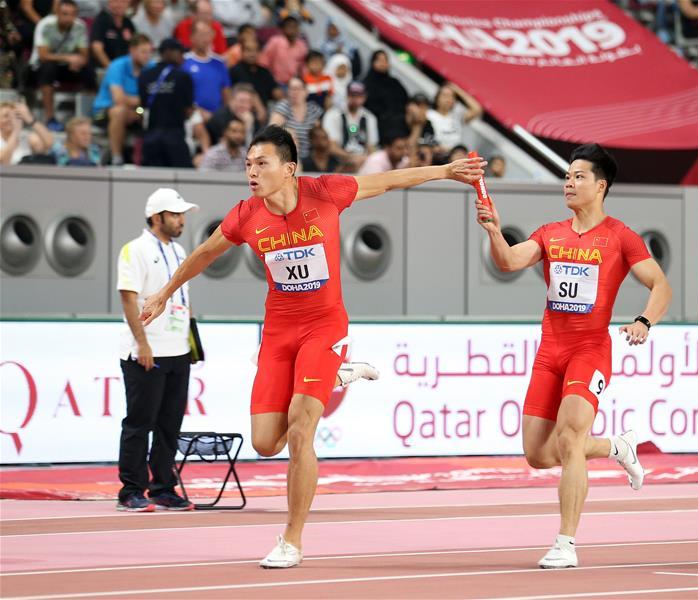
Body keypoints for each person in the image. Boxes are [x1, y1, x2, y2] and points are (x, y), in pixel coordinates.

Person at [139, 124, 484, 567]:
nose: (251, 172)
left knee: (301, 431)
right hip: (278, 334)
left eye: (261, 163)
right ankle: (338, 375)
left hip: (324, 328)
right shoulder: (246, 214)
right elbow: (205, 252)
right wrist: (165, 292)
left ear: (289, 169)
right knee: (265, 442)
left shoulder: (325, 192)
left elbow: (387, 181)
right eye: (248, 164)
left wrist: (445, 171)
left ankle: (291, 539)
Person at [475, 143, 672, 569]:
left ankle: (565, 543)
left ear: (601, 186)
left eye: (579, 176)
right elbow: (509, 261)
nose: (568, 183)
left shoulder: (620, 236)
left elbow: (661, 286)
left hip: (590, 350)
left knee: (569, 437)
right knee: (538, 454)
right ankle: (617, 446)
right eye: (567, 176)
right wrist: (494, 231)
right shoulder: (550, 233)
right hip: (550, 352)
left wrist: (644, 321)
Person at [116, 188, 199, 512]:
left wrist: (191, 343)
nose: (181, 221)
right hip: (146, 350)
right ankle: (130, 490)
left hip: (178, 349)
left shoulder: (179, 251)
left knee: (169, 424)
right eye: (175, 214)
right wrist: (142, 343)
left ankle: (163, 486)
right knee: (139, 423)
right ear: (156, 217)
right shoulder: (134, 249)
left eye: (182, 215)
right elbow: (128, 298)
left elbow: (184, 299)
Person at [92, 33, 153, 166]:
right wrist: (142, 100)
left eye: (149, 52)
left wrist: (138, 108)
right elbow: (118, 99)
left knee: (151, 112)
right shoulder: (117, 66)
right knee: (120, 111)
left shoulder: (151, 67)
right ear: (132, 50)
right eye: (143, 52)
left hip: (137, 110)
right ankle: (116, 158)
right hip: (103, 111)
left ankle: (149, 159)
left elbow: (155, 98)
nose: (147, 56)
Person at [33, 0, 92, 131]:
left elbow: (84, 55)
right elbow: (43, 55)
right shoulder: (46, 25)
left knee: (88, 69)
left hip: (67, 66)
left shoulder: (80, 27)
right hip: (38, 67)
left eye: (72, 14)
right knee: (48, 68)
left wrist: (78, 61)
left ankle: (90, 117)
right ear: (57, 13)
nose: (68, 18)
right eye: (65, 14)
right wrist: (68, 57)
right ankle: (50, 118)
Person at [138, 37, 194, 168]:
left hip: (151, 138)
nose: (183, 57)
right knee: (183, 176)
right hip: (175, 137)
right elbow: (188, 110)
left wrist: (139, 114)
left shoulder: (145, 75)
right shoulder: (183, 77)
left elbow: (141, 107)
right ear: (167, 52)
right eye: (180, 52)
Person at [322, 80, 377, 171]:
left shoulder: (369, 117)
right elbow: (331, 146)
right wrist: (351, 157)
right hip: (337, 161)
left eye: (359, 96)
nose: (355, 99)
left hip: (362, 161)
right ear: (347, 95)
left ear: (364, 97)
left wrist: (365, 159)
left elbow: (372, 147)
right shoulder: (333, 114)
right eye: (352, 95)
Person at [183, 20, 230, 116]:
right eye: (201, 35)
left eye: (208, 34)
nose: (205, 39)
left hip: (217, 116)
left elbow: (226, 92)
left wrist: (226, 116)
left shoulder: (219, 62)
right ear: (192, 37)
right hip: (192, 116)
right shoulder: (183, 61)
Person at [269, 76, 322, 159]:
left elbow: (320, 134)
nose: (295, 92)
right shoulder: (283, 107)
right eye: (291, 89)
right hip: (287, 156)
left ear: (306, 91)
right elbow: (270, 132)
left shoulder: (313, 109)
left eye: (298, 89)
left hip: (311, 156)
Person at [362, 49, 407, 140]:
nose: (383, 63)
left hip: (399, 123)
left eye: (385, 60)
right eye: (379, 60)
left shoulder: (395, 83)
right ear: (373, 62)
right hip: (377, 124)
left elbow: (405, 101)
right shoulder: (366, 84)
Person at [229, 36, 282, 106]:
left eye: (255, 50)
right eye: (248, 50)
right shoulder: (234, 71)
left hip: (265, 109)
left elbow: (276, 92)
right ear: (242, 52)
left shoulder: (264, 72)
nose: (252, 54)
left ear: (260, 52)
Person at [258, 15, 307, 86]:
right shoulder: (275, 42)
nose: (292, 29)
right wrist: (270, 82)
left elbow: (303, 68)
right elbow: (263, 63)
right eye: (289, 26)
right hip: (274, 82)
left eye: (295, 26)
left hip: (293, 84)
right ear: (283, 28)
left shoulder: (301, 45)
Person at [0, 101, 53, 165]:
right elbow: (3, 161)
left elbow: (49, 144)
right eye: (6, 116)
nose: (11, 119)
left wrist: (30, 119)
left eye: (15, 115)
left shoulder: (26, 138)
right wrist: (16, 131)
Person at [90, 0, 135, 68]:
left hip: (124, 67)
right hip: (104, 68)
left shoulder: (128, 23)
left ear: (128, 4)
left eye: (123, 2)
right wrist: (112, 69)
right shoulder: (101, 20)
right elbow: (97, 48)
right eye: (115, 1)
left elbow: (134, 48)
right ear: (109, 3)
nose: (119, 5)